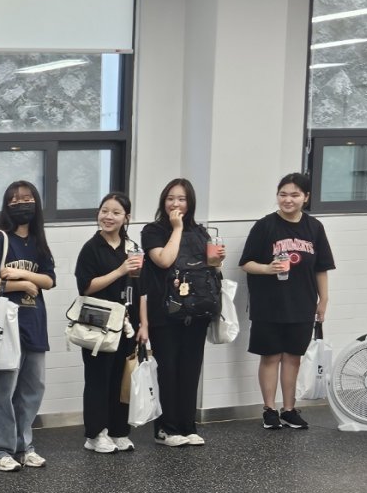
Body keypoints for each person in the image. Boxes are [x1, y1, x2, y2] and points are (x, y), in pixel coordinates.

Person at [239, 173, 334, 430]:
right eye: (283, 194)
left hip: (302, 303)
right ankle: (269, 409)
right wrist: (267, 269)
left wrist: (323, 300)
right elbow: (246, 263)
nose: (288, 199)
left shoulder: (314, 227)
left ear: (306, 197)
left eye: (294, 195)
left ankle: (289, 409)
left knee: (293, 357)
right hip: (268, 303)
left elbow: (321, 268)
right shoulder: (265, 226)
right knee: (270, 356)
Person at [137, 178, 222, 447]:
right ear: (163, 201)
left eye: (182, 199)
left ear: (191, 202)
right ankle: (167, 429)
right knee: (168, 369)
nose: (176, 203)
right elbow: (163, 260)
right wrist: (176, 228)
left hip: (196, 310)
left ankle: (188, 426)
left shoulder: (200, 231)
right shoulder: (153, 230)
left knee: (190, 369)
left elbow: (210, 269)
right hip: (165, 311)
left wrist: (217, 260)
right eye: (171, 198)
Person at [0, 180, 56, 472]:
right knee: (4, 390)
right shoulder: (0, 239)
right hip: (6, 327)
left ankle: (25, 446)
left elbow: (49, 279)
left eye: (26, 198)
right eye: (14, 199)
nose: (21, 203)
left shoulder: (38, 241)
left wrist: (25, 276)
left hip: (35, 323)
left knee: (32, 388)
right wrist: (21, 283)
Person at [74, 192, 143, 453]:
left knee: (120, 377)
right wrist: (120, 271)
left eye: (116, 212)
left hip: (126, 319)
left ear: (127, 218)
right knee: (98, 378)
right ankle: (94, 434)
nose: (108, 217)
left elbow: (141, 288)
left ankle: (118, 430)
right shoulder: (91, 248)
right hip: (97, 318)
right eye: (105, 210)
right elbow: (86, 287)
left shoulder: (132, 247)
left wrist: (142, 324)